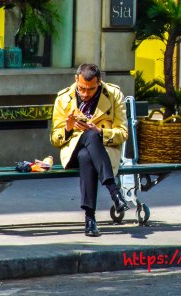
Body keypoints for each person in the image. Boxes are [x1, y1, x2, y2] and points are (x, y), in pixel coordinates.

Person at [51, 63, 130, 237]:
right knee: (89, 137)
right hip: (72, 151)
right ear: (76, 80)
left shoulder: (114, 95)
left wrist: (101, 132)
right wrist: (68, 128)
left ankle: (90, 219)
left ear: (99, 83)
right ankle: (114, 192)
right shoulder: (64, 99)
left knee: (87, 154)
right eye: (81, 89)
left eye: (91, 89)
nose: (85, 94)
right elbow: (55, 139)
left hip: (103, 152)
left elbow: (123, 133)